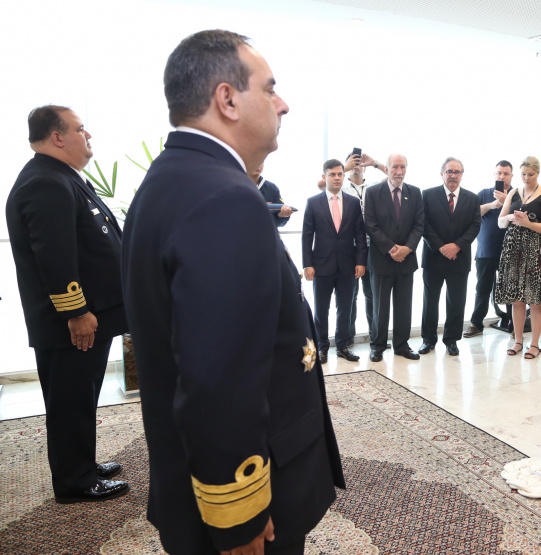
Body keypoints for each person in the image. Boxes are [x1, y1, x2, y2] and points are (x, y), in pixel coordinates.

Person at [121, 30, 344, 554]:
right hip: (241, 496)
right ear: (227, 99)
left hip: (188, 472)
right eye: (269, 88)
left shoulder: (171, 177)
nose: (282, 103)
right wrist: (238, 515)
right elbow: (219, 378)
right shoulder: (225, 197)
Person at [6, 105, 129, 504]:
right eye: (80, 129)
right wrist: (76, 312)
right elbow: (54, 257)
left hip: (90, 316)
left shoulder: (61, 176)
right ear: (57, 137)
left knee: (82, 396)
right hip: (72, 323)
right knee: (70, 401)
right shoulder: (45, 182)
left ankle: (83, 465)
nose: (87, 135)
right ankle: (75, 482)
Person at [302, 158, 367, 363]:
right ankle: (321, 347)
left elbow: (360, 234)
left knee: (345, 309)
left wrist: (361, 261)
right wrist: (307, 264)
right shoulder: (313, 202)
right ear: (325, 177)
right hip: (321, 266)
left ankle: (342, 346)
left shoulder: (353, 202)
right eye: (332, 174)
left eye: (340, 174)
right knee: (321, 310)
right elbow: (307, 236)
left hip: (348, 265)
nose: (337, 178)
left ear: (343, 176)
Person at [494, 156, 541, 359]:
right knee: (516, 299)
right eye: (523, 174)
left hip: (536, 251)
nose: (526, 178)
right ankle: (518, 340)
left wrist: (527, 223)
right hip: (513, 249)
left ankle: (535, 343)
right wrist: (510, 217)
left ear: (537, 173)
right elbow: (500, 222)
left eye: (530, 174)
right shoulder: (513, 192)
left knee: (535, 300)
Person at [363, 153, 425, 362]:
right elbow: (370, 225)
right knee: (380, 307)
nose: (399, 171)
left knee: (404, 306)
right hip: (382, 259)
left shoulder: (414, 192)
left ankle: (401, 345)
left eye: (402, 167)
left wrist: (407, 249)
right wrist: (391, 248)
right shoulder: (373, 192)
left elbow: (419, 225)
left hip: (406, 260)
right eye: (395, 167)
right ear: (387, 169)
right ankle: (378, 346)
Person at [419, 157, 481, 356]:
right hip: (433, 257)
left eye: (457, 172)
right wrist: (441, 247)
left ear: (462, 175)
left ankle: (452, 340)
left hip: (459, 258)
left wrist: (457, 246)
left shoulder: (473, 198)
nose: (453, 175)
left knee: (457, 302)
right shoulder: (427, 195)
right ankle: (428, 340)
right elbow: (423, 224)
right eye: (449, 171)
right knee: (430, 301)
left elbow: (475, 226)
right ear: (442, 174)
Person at [464, 161, 514, 337]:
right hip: (486, 251)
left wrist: (507, 202)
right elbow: (472, 213)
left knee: (510, 290)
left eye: (506, 174)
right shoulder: (484, 194)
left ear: (512, 176)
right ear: (494, 175)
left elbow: (521, 214)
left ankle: (514, 325)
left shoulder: (517, 194)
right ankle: (476, 324)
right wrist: (493, 204)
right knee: (482, 289)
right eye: (499, 173)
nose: (502, 176)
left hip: (510, 252)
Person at [343, 151, 387, 346]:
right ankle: (348, 338)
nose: (357, 165)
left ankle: (375, 336)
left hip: (372, 248)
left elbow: (393, 175)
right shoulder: (341, 185)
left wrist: (374, 163)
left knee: (371, 294)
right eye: (353, 162)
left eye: (359, 162)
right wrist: (344, 168)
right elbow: (321, 184)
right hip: (350, 248)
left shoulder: (373, 187)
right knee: (350, 295)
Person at [249, 162, 293, 227]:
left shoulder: (271, 188)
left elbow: (278, 223)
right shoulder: (236, 186)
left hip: (265, 232)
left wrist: (282, 216)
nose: (258, 165)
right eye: (255, 161)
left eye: (261, 161)